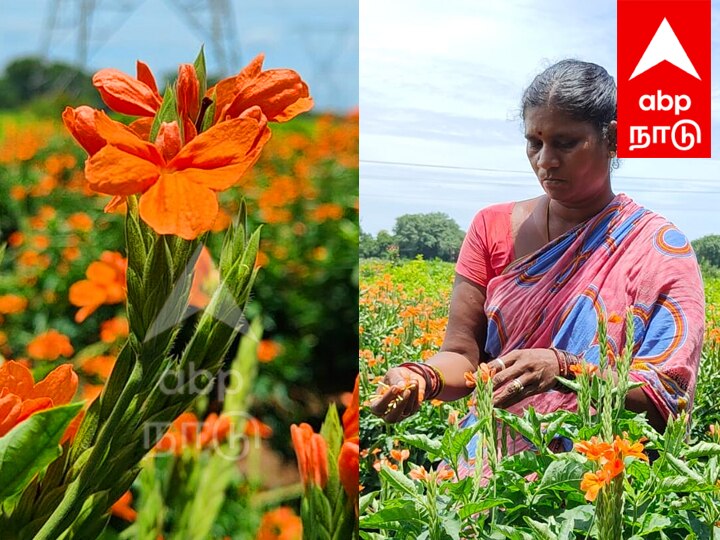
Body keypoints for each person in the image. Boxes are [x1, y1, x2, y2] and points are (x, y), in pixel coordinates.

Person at [368, 59, 705, 475]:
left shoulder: (657, 248)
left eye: (565, 143)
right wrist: (420, 379)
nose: (545, 160)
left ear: (614, 138)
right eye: (534, 142)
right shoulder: (491, 227)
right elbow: (461, 356)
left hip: (594, 480)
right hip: (487, 473)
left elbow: (667, 396)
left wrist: (566, 371)